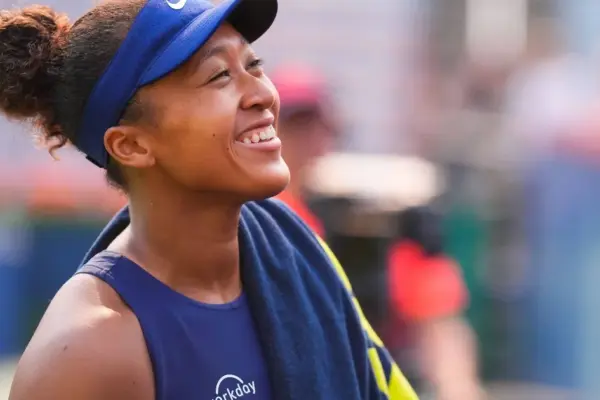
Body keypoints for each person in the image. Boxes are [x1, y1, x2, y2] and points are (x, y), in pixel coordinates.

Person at [0, 1, 417, 399]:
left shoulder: (296, 249)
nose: (262, 94)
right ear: (132, 145)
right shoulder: (87, 351)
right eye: (219, 75)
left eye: (253, 65)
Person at [271, 63, 484, 400]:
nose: (308, 140)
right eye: (296, 126)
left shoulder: (371, 215)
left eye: (317, 126)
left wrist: (459, 389)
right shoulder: (255, 216)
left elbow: (440, 320)